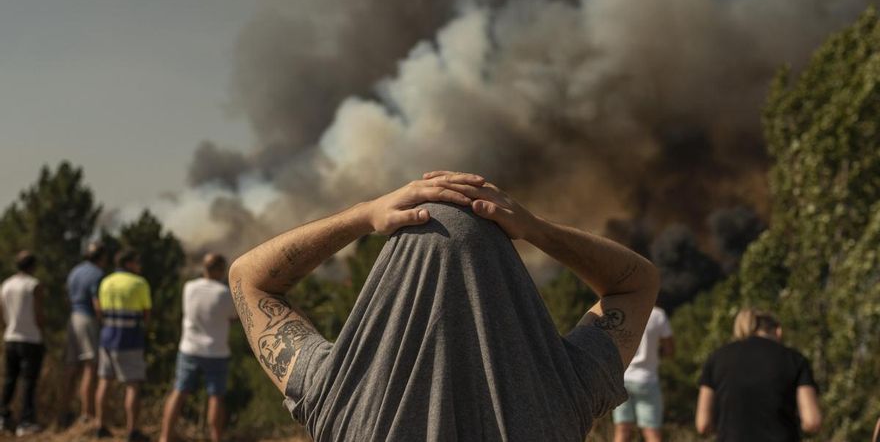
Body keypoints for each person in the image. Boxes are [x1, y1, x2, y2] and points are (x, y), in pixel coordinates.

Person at [229, 171, 660, 441]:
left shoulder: (340, 392)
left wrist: (362, 215)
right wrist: (534, 228)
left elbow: (249, 280)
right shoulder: (563, 391)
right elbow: (636, 284)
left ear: (389, 283)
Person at [696, 308, 822, 441]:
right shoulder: (794, 359)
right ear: (778, 331)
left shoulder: (716, 359)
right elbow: (812, 421)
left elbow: (703, 424)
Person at [159, 253, 237, 442]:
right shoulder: (224, 293)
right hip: (216, 351)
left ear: (204, 268)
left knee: (179, 391)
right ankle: (216, 438)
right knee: (216, 397)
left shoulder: (189, 287)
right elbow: (234, 317)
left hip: (189, 349)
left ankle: (164, 437)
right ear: (219, 270)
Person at [94, 249, 151, 442]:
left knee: (104, 381)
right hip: (129, 340)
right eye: (136, 262)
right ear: (128, 264)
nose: (139, 266)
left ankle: (100, 426)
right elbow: (146, 314)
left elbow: (99, 310)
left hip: (107, 338)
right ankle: (132, 430)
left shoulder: (106, 281)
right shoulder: (139, 283)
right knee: (133, 385)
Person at [61, 241, 108, 426]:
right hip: (88, 319)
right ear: (102, 257)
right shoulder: (97, 274)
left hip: (73, 318)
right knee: (90, 366)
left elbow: (67, 296)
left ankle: (64, 411)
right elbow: (97, 302)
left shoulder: (75, 271)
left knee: (71, 367)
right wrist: (103, 322)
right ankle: (87, 413)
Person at [0, 251, 45, 436]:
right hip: (31, 338)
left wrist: (6, 329)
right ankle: (26, 421)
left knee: (10, 379)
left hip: (11, 337)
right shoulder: (33, 285)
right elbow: (38, 313)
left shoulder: (6, 284)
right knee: (29, 381)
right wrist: (43, 330)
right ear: (32, 266)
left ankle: (3, 416)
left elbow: (1, 313)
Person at [613, 306, 674, 442]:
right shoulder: (658, 315)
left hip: (622, 378)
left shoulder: (621, 311)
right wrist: (657, 355)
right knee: (651, 433)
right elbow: (670, 349)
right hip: (647, 379)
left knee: (622, 430)